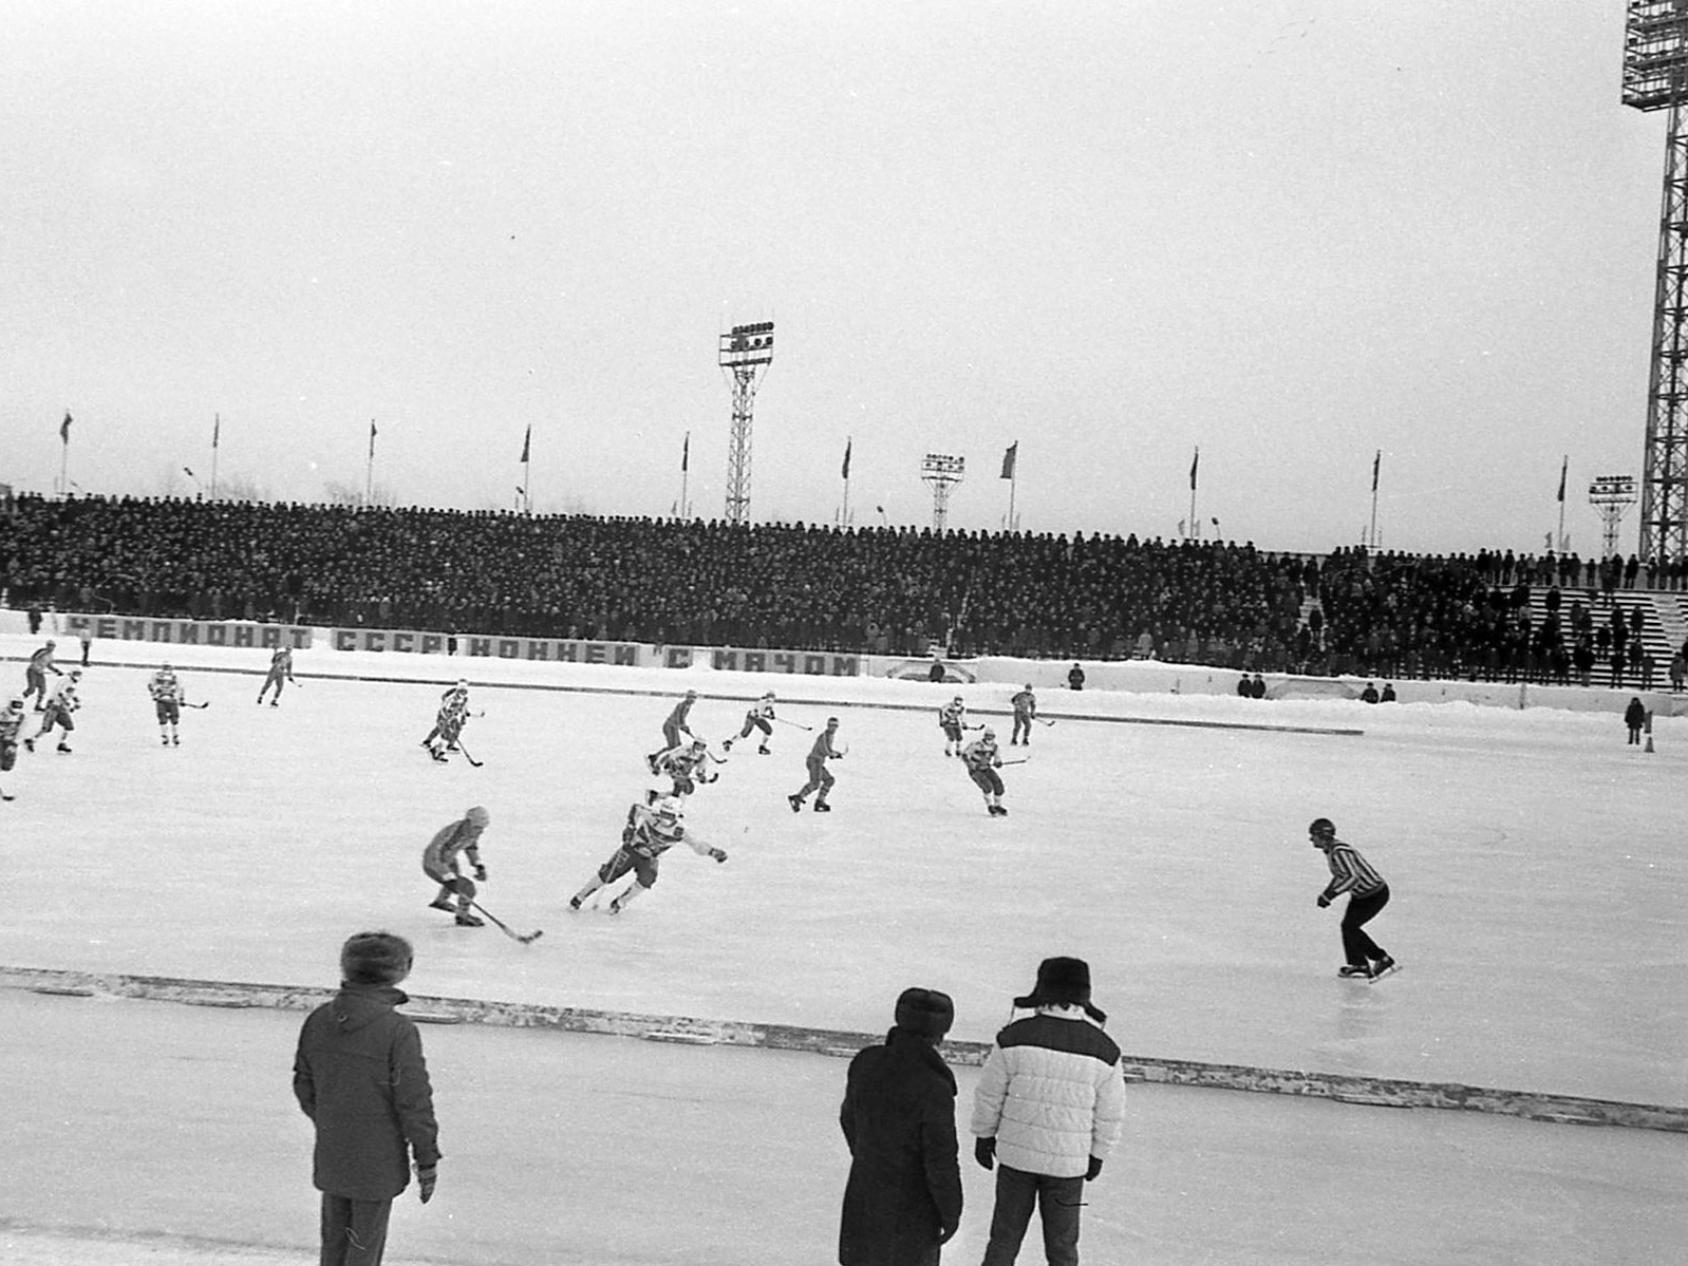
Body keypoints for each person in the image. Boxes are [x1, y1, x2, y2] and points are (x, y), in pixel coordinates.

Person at [293, 931, 441, 1266]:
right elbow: (414, 1101)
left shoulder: (319, 1020)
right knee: (364, 1244)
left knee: (335, 1238)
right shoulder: (397, 1030)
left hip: (333, 1148)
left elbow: (304, 1084)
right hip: (379, 1155)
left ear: (345, 967)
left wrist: (331, 1118)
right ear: (404, 970)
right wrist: (426, 1157)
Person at [970, 957, 1126, 1266]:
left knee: (1003, 1240)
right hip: (1069, 1166)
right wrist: (1098, 1154)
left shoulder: (1013, 1036)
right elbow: (1110, 1113)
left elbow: (989, 1095)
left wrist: (984, 1136)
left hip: (1017, 1160)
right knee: (1063, 1247)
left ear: (1042, 990)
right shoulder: (1106, 1049)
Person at [838, 987, 963, 1266]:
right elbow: (940, 1160)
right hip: (912, 1210)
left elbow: (849, 1120)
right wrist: (951, 1213)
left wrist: (871, 1157)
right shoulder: (934, 1086)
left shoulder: (865, 1062)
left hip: (864, 1193)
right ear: (941, 1033)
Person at [568, 794, 726, 914]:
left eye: (669, 816)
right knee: (608, 874)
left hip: (650, 857)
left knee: (647, 879)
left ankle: (620, 902)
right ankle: (580, 897)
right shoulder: (651, 816)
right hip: (631, 849)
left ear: (677, 815)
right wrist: (630, 827)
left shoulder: (680, 831)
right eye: (663, 813)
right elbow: (636, 808)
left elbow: (697, 845)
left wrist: (712, 852)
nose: (665, 818)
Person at [1309, 817, 1395, 979]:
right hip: (1361, 895)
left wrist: (1330, 895)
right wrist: (1326, 894)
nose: (1311, 839)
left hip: (1374, 894)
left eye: (1313, 835)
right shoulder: (1332, 850)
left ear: (1322, 836)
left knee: (1350, 927)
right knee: (1348, 927)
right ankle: (1361, 964)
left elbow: (1352, 877)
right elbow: (1340, 875)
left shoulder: (1339, 851)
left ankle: (1378, 959)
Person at [423, 806, 491, 927]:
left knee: (456, 879)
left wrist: (478, 865)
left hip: (449, 860)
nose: (480, 831)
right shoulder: (453, 832)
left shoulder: (471, 832)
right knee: (467, 887)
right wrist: (446, 875)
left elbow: (470, 847)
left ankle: (441, 900)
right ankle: (462, 916)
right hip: (433, 863)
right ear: (468, 822)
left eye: (482, 828)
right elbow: (435, 852)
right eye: (477, 827)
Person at [790, 717, 846, 813]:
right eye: (832, 725)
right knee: (815, 783)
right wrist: (833, 754)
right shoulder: (824, 736)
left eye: (835, 726)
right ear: (828, 725)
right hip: (814, 761)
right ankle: (798, 797)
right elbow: (825, 749)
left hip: (818, 761)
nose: (834, 728)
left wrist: (835, 753)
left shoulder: (830, 736)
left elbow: (828, 750)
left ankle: (820, 801)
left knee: (829, 780)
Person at [26, 669, 81, 754]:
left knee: (68, 726)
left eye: (79, 674)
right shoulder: (66, 681)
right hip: (54, 705)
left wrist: (76, 701)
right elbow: (61, 693)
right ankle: (32, 740)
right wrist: (68, 703)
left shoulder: (71, 683)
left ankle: (62, 744)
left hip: (60, 706)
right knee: (47, 727)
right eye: (76, 673)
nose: (77, 676)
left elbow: (70, 694)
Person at [646, 689, 700, 771]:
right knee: (674, 747)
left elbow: (682, 719)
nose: (693, 700)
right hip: (670, 726)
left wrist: (685, 727)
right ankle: (661, 761)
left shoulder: (687, 707)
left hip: (674, 727)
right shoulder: (682, 705)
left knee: (677, 746)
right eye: (691, 697)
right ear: (687, 697)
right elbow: (678, 718)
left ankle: (657, 757)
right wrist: (684, 727)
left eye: (694, 698)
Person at [961, 727, 1009, 817]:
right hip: (976, 770)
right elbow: (964, 755)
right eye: (987, 736)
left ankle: (998, 805)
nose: (989, 739)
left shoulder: (995, 747)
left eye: (991, 737)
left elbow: (997, 759)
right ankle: (990, 805)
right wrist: (972, 765)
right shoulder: (976, 745)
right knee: (987, 786)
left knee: (998, 783)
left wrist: (998, 763)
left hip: (986, 769)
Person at [653, 736, 720, 798]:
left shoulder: (703, 757)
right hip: (673, 767)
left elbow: (700, 770)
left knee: (689, 790)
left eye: (702, 746)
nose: (699, 748)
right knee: (680, 784)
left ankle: (656, 797)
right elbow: (670, 755)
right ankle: (670, 804)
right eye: (697, 745)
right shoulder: (686, 749)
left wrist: (701, 777)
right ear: (694, 744)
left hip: (684, 772)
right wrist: (658, 765)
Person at [421, 680, 470, 758]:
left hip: (452, 718)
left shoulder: (464, 699)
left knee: (456, 729)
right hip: (444, 717)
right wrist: (446, 719)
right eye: (461, 691)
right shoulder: (452, 698)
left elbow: (463, 708)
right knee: (446, 734)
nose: (463, 693)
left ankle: (446, 746)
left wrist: (464, 715)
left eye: (465, 691)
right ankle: (438, 751)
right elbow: (443, 709)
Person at [147, 662, 185, 747]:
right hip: (161, 700)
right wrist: (154, 694)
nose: (167, 669)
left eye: (168, 667)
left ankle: (175, 735)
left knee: (174, 719)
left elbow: (180, 688)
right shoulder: (156, 676)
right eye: (165, 667)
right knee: (162, 718)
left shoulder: (175, 677)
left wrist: (181, 699)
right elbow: (150, 686)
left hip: (172, 701)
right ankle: (164, 736)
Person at [21, 639, 64, 711]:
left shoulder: (51, 655)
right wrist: (37, 667)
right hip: (32, 671)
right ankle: (20, 699)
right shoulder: (43, 652)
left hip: (40, 673)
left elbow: (49, 665)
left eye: (53, 646)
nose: (51, 648)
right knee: (31, 689)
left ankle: (38, 705)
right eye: (50, 646)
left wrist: (56, 671)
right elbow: (33, 659)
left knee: (43, 690)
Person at [0, 697, 24, 801]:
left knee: (7, 766)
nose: (16, 708)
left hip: (11, 742)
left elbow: (23, 731)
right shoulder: (2, 714)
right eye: (15, 705)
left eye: (19, 706)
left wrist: (15, 743)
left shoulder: (22, 717)